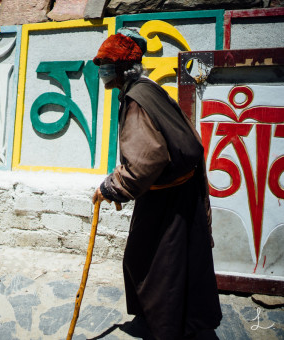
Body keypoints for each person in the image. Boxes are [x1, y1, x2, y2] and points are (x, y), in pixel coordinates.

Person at [92, 29, 222, 340]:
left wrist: (110, 187)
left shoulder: (137, 97)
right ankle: (170, 323)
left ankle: (163, 328)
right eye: (101, 65)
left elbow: (147, 160)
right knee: (175, 264)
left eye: (107, 66)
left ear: (124, 69)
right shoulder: (147, 88)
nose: (102, 72)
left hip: (169, 199)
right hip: (177, 192)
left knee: (156, 266)